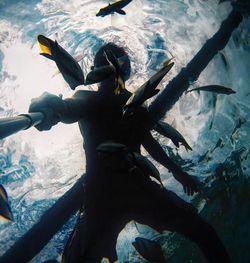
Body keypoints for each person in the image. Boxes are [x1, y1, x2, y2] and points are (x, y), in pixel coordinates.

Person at [29, 43, 231, 262]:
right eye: (106, 62)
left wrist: (177, 172)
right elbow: (68, 109)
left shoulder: (134, 103)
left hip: (113, 195)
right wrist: (52, 107)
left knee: (203, 232)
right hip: (118, 194)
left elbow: (148, 142)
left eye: (115, 60)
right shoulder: (88, 99)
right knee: (203, 233)